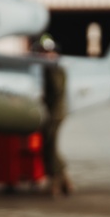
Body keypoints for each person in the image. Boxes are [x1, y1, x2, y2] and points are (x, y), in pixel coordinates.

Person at [33, 34, 74, 197]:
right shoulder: (53, 66)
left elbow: (56, 91)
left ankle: (56, 182)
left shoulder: (53, 67)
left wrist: (44, 103)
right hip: (57, 112)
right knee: (51, 146)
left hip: (55, 113)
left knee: (49, 148)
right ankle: (66, 183)